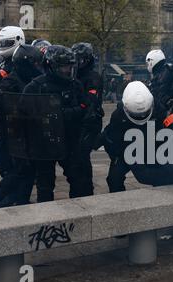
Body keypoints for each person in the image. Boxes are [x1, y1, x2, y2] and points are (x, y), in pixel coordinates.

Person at [23, 45, 94, 202]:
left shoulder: (75, 85)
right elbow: (25, 114)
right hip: (44, 143)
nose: (67, 70)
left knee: (78, 181)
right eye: (63, 67)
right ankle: (46, 219)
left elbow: (86, 108)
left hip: (70, 140)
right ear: (51, 66)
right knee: (45, 185)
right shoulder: (35, 86)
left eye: (70, 66)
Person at [0, 44, 44, 210]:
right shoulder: (11, 82)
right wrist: (16, 114)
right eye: (35, 63)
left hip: (28, 136)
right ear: (26, 63)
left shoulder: (30, 80)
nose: (38, 67)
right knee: (16, 174)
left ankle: (21, 203)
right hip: (12, 138)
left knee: (28, 173)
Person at [94, 81, 161, 193]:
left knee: (160, 176)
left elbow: (168, 131)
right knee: (114, 179)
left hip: (150, 149)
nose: (141, 117)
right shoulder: (118, 115)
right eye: (137, 115)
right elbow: (112, 136)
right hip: (126, 151)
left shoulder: (159, 110)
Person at [72, 42, 104, 188]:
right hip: (78, 121)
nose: (79, 63)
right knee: (77, 157)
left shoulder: (93, 77)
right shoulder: (73, 75)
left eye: (81, 59)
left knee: (83, 156)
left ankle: (86, 187)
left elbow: (91, 101)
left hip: (91, 122)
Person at [145, 49, 169, 119]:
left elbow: (156, 94)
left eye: (147, 63)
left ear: (151, 61)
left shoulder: (159, 76)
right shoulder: (166, 70)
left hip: (163, 111)